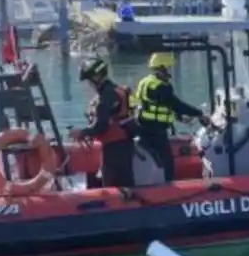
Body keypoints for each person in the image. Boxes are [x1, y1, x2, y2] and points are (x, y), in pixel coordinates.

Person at [134, 51, 208, 182]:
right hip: (155, 130)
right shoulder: (161, 86)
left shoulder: (146, 82)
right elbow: (176, 104)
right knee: (167, 161)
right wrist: (199, 113)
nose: (169, 71)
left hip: (144, 126)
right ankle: (168, 187)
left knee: (160, 158)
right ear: (161, 68)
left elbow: (161, 104)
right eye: (168, 67)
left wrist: (180, 118)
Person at [69, 56, 135, 188]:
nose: (89, 84)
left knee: (111, 184)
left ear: (95, 78)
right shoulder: (120, 90)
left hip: (114, 148)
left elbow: (101, 126)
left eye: (89, 80)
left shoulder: (105, 98)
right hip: (126, 144)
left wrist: (81, 132)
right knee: (126, 180)